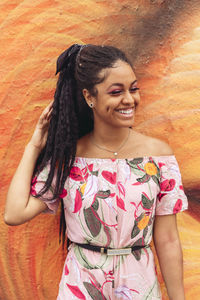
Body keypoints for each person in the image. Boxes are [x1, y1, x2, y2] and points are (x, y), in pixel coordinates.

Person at [4, 44, 188, 300]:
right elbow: (14, 214)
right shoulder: (70, 158)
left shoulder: (158, 157)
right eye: (116, 92)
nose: (129, 99)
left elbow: (167, 239)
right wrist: (35, 145)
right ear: (89, 97)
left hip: (138, 284)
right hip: (81, 285)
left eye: (133, 89)